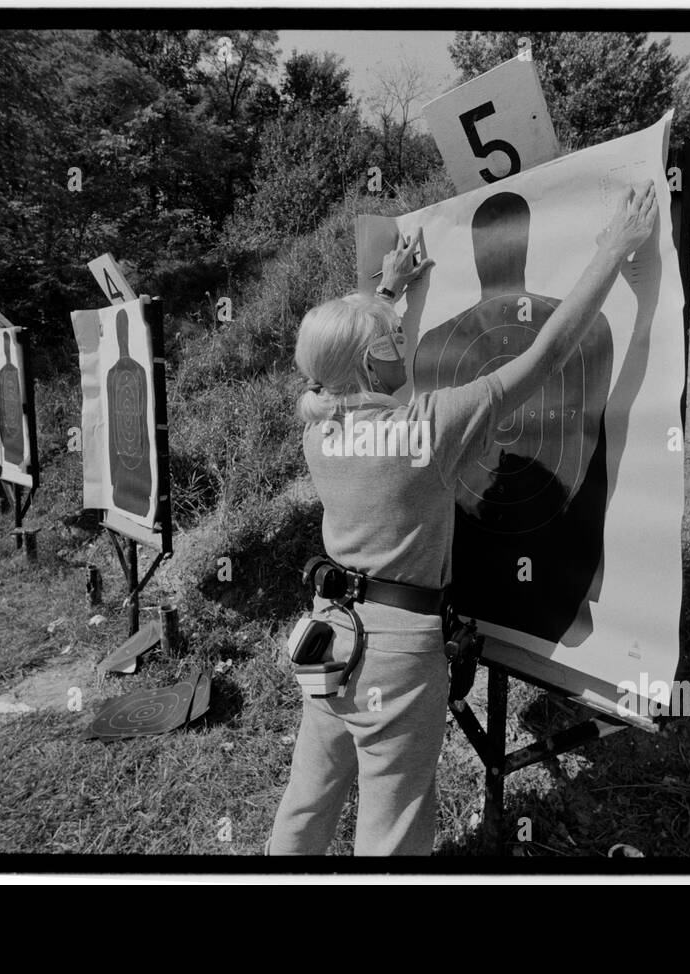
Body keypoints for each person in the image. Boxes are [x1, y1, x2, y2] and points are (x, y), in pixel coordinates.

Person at [268, 181, 659, 855]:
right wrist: (612, 251)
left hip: (329, 632)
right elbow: (545, 356)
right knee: (391, 833)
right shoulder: (431, 426)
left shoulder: (319, 428)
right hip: (397, 652)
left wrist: (387, 292)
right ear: (372, 361)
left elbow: (349, 359)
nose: (401, 345)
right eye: (392, 340)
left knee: (309, 799)